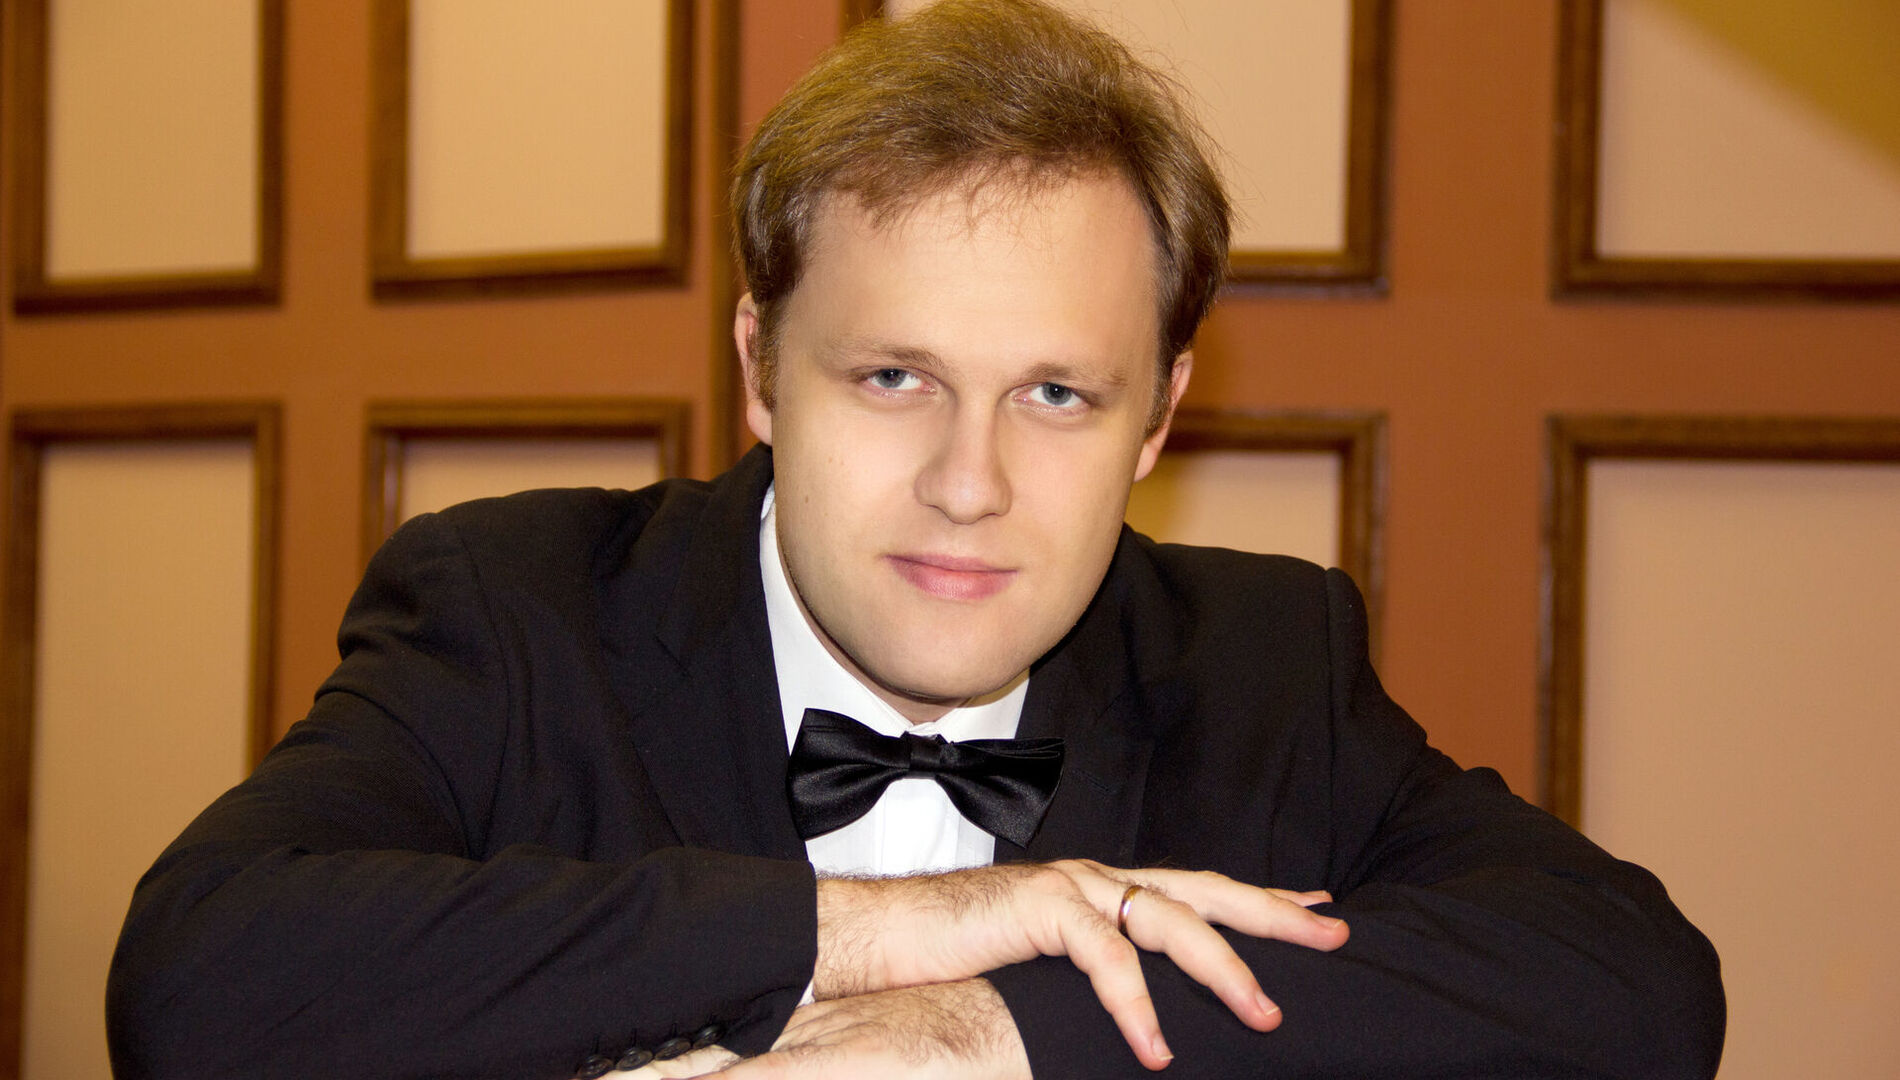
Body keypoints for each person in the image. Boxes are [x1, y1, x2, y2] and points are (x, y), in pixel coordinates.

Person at [106, 1, 1724, 1077]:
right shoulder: (513, 612)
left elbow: (1636, 987)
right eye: (894, 377)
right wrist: (876, 933)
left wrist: (977, 1034)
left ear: (1160, 417)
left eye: (1057, 396)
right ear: (760, 369)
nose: (970, 481)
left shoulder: (1259, 666)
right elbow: (197, 983)